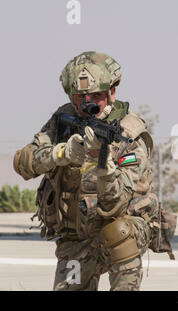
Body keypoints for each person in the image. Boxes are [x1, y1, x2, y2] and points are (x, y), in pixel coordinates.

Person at [13, 51, 159, 290]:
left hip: (118, 230)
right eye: (80, 97)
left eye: (97, 95)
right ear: (71, 96)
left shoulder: (130, 134)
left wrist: (106, 171)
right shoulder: (63, 119)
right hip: (77, 237)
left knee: (120, 232)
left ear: (112, 92)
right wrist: (61, 154)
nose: (88, 103)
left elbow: (117, 203)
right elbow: (22, 163)